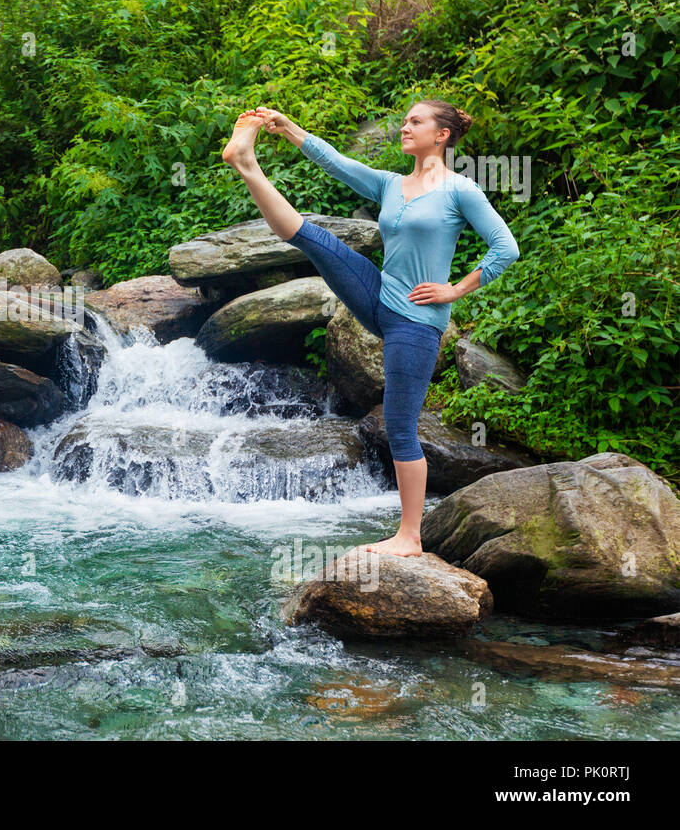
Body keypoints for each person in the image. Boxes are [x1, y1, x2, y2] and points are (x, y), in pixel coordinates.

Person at [220, 101, 520, 556]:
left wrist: (455, 290)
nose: (405, 126)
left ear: (441, 135)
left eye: (416, 122)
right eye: (405, 120)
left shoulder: (461, 191)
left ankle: (410, 537)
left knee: (400, 427)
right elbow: (337, 163)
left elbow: (506, 248)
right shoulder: (392, 185)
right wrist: (287, 127)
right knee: (313, 238)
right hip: (379, 297)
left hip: (416, 322)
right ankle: (246, 164)